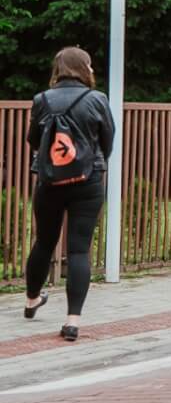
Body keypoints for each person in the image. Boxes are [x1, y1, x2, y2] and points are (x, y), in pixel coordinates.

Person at [21, 47, 115, 341]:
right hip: (88, 180)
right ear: (85, 68)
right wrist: (93, 163)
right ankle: (72, 320)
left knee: (44, 241)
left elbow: (33, 140)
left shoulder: (42, 100)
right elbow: (108, 140)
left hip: (50, 181)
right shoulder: (97, 99)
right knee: (78, 249)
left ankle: (31, 300)